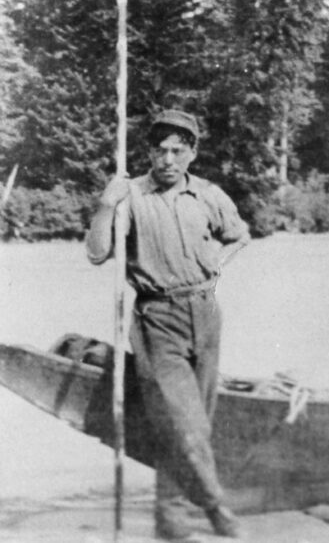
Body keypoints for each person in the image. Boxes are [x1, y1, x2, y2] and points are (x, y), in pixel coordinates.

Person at [86, 109, 250, 540]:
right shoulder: (130, 196)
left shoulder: (208, 195)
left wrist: (217, 265)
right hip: (157, 319)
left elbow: (239, 235)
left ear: (192, 153)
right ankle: (218, 509)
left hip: (206, 314)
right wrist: (106, 204)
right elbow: (97, 253)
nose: (168, 160)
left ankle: (171, 521)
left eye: (178, 150)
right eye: (160, 150)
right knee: (186, 426)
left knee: (194, 425)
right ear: (149, 152)